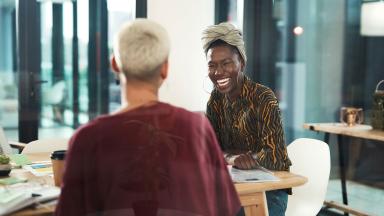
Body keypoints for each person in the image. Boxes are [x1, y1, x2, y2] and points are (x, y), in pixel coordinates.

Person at [56, 19, 241, 216]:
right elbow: (231, 211)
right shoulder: (198, 128)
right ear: (165, 69)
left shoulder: (86, 139)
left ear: (114, 65)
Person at [201, 22, 292, 215]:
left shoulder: (263, 97)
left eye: (226, 63)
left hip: (270, 190)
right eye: (212, 65)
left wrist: (250, 158)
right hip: (232, 186)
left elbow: (276, 156)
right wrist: (233, 158)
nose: (218, 72)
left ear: (241, 62)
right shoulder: (215, 100)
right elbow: (211, 150)